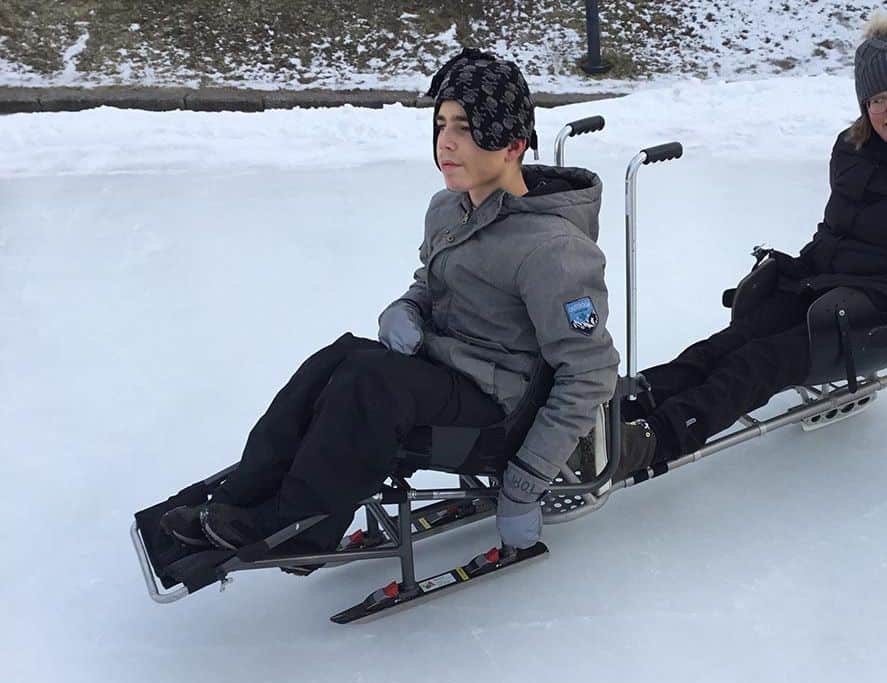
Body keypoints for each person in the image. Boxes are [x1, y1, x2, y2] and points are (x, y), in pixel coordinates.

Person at [158, 48, 624, 560]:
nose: (446, 142)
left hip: (500, 415)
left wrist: (526, 481)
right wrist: (405, 307)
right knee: (340, 358)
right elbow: (432, 282)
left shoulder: (551, 250)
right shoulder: (448, 207)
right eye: (442, 123)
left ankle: (294, 525)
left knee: (370, 385)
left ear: (512, 143)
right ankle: (240, 497)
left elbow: (589, 372)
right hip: (443, 374)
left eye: (466, 128)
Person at [618, 13, 887, 469]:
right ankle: (620, 408)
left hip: (886, 314)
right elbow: (836, 231)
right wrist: (793, 271)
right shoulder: (851, 147)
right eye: (878, 100)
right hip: (825, 288)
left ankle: (648, 442)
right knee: (725, 345)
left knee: (759, 361)